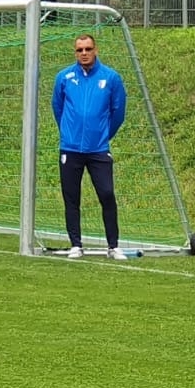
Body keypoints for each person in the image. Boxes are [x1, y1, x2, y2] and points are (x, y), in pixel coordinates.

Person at [51, 34, 127, 260]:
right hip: (71, 148)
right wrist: (68, 133)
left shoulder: (111, 78)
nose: (84, 53)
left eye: (88, 49)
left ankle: (113, 246)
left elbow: (118, 112)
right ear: (75, 52)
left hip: (98, 149)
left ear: (96, 50)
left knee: (107, 194)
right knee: (71, 197)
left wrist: (103, 135)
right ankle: (76, 244)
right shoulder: (64, 77)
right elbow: (57, 107)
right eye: (80, 50)